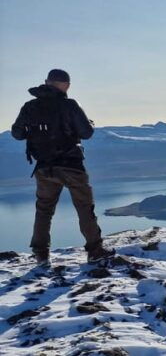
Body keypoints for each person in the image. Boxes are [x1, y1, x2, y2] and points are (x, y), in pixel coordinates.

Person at [11, 69, 115, 267]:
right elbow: (86, 133)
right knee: (84, 207)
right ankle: (95, 251)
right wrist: (88, 123)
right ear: (66, 85)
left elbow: (17, 134)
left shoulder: (30, 106)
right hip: (71, 166)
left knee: (44, 209)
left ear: (46, 82)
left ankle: (41, 254)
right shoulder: (70, 105)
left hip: (44, 168)